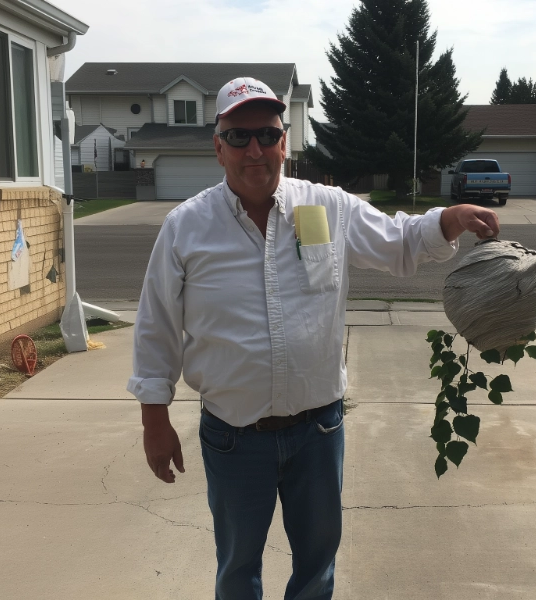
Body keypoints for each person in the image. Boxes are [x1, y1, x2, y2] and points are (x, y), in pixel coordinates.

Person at [128, 76, 500, 600]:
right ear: (218, 147)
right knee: (237, 570)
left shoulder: (327, 208)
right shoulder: (186, 227)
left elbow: (397, 242)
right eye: (238, 137)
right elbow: (156, 325)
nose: (254, 149)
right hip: (234, 437)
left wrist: (449, 219)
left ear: (285, 141)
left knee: (317, 569)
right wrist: (154, 418)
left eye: (266, 134)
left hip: (318, 434)